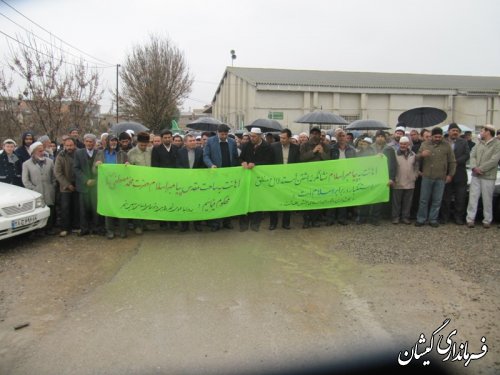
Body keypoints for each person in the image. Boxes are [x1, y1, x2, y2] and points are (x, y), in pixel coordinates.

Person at [415, 127, 456, 227]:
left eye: (439, 136)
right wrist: (421, 155)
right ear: (432, 136)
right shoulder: (425, 144)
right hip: (427, 176)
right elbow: (416, 157)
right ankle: (421, 219)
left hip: (440, 177)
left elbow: (452, 161)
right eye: (435, 136)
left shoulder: (447, 145)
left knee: (437, 200)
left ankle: (433, 219)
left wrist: (450, 174)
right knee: (424, 199)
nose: (437, 138)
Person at [203, 124, 239, 231]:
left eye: (225, 134)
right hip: (216, 175)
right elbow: (206, 156)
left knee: (228, 199)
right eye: (221, 134)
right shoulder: (210, 141)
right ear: (218, 132)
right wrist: (211, 165)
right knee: (216, 199)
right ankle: (215, 223)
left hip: (229, 176)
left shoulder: (232, 142)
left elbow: (235, 157)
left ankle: (227, 222)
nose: (223, 136)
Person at [239, 127, 274, 231]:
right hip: (247, 178)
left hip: (259, 179)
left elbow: (269, 162)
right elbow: (240, 157)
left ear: (260, 136)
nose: (251, 138)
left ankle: (255, 223)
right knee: (245, 200)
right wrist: (242, 162)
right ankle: (244, 223)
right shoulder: (246, 145)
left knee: (257, 200)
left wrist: (256, 164)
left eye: (254, 136)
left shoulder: (267, 147)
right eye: (250, 136)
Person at [94, 134, 128, 239]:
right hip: (106, 186)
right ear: (107, 142)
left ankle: (123, 231)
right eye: (111, 141)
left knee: (122, 208)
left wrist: (128, 165)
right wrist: (96, 165)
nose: (114, 143)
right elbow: (94, 171)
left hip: (120, 186)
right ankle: (110, 231)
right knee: (109, 208)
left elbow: (128, 170)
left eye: (115, 141)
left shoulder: (122, 154)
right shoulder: (100, 154)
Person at [465, 125, 500, 228]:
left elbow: (494, 160)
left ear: (488, 132)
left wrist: (482, 169)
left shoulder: (497, 144)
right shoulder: (479, 143)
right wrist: (474, 167)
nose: (480, 132)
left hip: (488, 176)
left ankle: (487, 220)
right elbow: (472, 155)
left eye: (482, 131)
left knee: (487, 198)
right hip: (476, 175)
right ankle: (470, 219)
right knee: (473, 197)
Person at [268, 128, 300, 230]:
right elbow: (270, 162)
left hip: (289, 179)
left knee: (288, 201)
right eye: (281, 138)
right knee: (274, 201)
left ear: (289, 138)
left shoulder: (296, 148)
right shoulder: (273, 146)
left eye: (284, 138)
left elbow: (298, 163)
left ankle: (286, 223)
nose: (282, 140)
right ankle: (273, 223)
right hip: (276, 179)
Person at [22, 141, 57, 235]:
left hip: (49, 191)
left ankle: (49, 228)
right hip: (36, 192)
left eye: (43, 150)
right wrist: (33, 189)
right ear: (33, 152)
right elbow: (25, 180)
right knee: (38, 210)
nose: (42, 152)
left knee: (50, 209)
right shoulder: (26, 164)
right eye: (39, 151)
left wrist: (53, 186)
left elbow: (54, 176)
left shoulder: (50, 161)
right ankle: (38, 230)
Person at [439, 123, 470, 225]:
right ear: (448, 132)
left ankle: (458, 218)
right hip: (446, 173)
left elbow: (466, 155)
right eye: (453, 130)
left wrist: (455, 162)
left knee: (460, 198)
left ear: (459, 133)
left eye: (457, 131)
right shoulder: (443, 142)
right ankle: (445, 217)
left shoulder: (464, 142)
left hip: (460, 174)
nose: (455, 132)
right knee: (446, 197)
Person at [300, 126, 330, 228]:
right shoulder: (304, 145)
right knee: (307, 199)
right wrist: (313, 151)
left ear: (320, 135)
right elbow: (302, 158)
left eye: (317, 133)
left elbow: (329, 162)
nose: (315, 135)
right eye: (313, 133)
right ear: (310, 134)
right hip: (307, 177)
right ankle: (306, 220)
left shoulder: (325, 146)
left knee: (317, 199)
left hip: (320, 177)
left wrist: (322, 153)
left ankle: (315, 220)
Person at [176, 134, 206, 232]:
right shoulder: (180, 152)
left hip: (197, 182)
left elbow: (203, 165)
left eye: (194, 140)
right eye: (191, 141)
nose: (193, 142)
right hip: (184, 182)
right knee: (185, 203)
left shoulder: (200, 151)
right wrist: (186, 173)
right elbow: (177, 165)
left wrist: (196, 173)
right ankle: (185, 224)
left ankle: (197, 223)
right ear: (185, 142)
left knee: (196, 202)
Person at [73, 133, 100, 236]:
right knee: (83, 209)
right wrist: (86, 180)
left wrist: (95, 180)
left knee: (95, 208)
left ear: (94, 143)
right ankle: (84, 229)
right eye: (87, 141)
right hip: (83, 186)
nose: (89, 143)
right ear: (84, 142)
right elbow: (76, 168)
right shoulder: (78, 153)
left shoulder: (98, 153)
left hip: (95, 186)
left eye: (91, 142)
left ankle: (96, 228)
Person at [328, 129, 357, 225]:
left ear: (346, 137)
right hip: (334, 176)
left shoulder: (352, 149)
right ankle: (331, 219)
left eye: (343, 136)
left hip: (346, 177)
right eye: (339, 136)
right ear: (336, 138)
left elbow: (357, 162)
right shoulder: (331, 149)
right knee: (332, 198)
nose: (341, 138)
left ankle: (342, 218)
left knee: (343, 197)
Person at [126, 132, 153, 234]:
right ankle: (137, 225)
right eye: (142, 145)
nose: (143, 147)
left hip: (149, 183)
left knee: (146, 204)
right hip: (137, 184)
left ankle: (145, 224)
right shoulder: (131, 153)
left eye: (145, 145)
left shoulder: (150, 151)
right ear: (138, 142)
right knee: (137, 205)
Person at [54, 137, 80, 237]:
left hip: (77, 184)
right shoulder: (60, 155)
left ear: (74, 145)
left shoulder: (79, 153)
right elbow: (57, 173)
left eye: (71, 145)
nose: (69, 147)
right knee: (65, 207)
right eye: (67, 145)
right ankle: (65, 228)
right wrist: (67, 184)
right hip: (65, 186)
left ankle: (76, 226)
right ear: (64, 146)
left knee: (76, 207)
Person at [391, 136, 419, 224]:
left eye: (405, 144)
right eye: (401, 144)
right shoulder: (394, 154)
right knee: (396, 202)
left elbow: (416, 166)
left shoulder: (413, 154)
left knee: (408, 202)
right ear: (399, 144)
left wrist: (415, 175)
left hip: (410, 181)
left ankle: (405, 217)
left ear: (408, 144)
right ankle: (396, 217)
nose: (403, 145)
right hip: (398, 181)